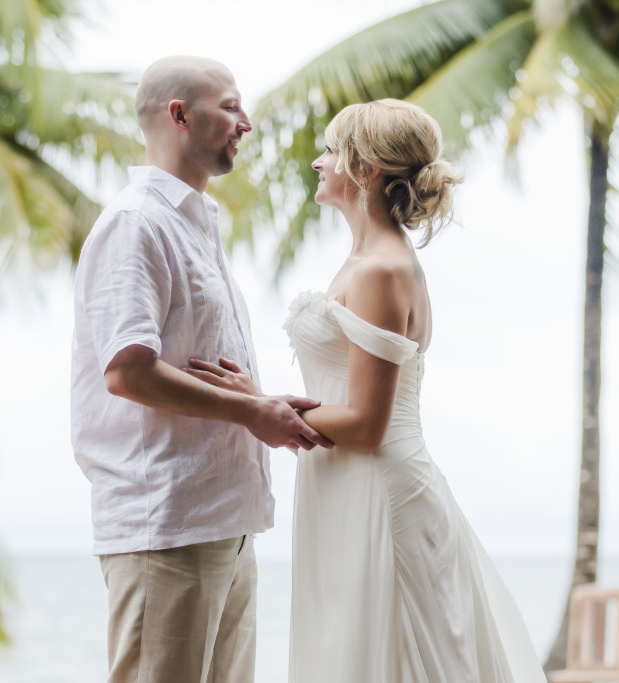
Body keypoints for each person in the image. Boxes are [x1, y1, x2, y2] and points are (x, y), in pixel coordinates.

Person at [188, 99, 546, 682]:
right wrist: (259, 399)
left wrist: (258, 405)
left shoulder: (381, 269)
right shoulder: (366, 263)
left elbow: (366, 422)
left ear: (367, 168)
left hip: (377, 483)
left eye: (331, 150)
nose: (317, 162)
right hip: (346, 480)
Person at [70, 56, 332, 683]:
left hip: (224, 522)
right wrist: (252, 411)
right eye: (232, 106)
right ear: (179, 115)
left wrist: (263, 404)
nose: (247, 123)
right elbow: (128, 372)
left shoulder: (197, 226)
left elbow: (201, 367)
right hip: (166, 524)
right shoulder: (138, 223)